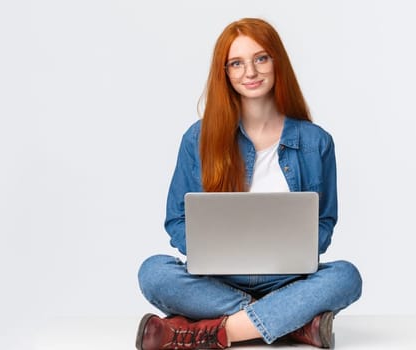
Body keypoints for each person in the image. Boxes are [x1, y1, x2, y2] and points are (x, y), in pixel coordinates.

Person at [135, 18, 362, 349]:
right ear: (224, 73)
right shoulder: (197, 139)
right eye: (236, 63)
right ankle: (292, 324)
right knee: (154, 273)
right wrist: (209, 251)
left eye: (261, 58)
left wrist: (296, 250)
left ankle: (217, 331)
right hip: (215, 280)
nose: (250, 72)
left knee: (345, 277)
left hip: (287, 281)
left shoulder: (316, 142)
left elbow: (324, 222)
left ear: (277, 62)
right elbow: (176, 220)